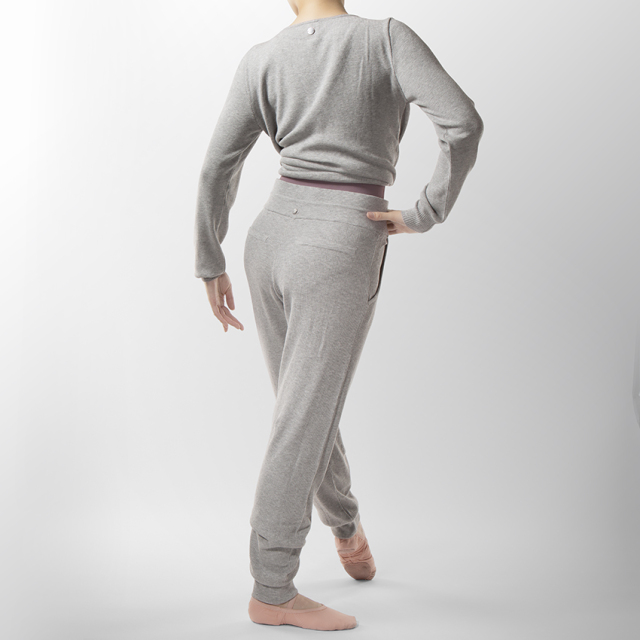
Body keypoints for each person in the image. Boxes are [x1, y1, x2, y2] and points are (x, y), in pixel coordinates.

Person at [194, 0, 484, 631]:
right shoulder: (386, 39)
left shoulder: (262, 58)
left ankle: (346, 526)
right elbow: (462, 123)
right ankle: (273, 588)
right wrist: (424, 212)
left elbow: (218, 164)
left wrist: (209, 257)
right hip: (341, 239)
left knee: (302, 405)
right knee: (304, 415)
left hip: (268, 238)